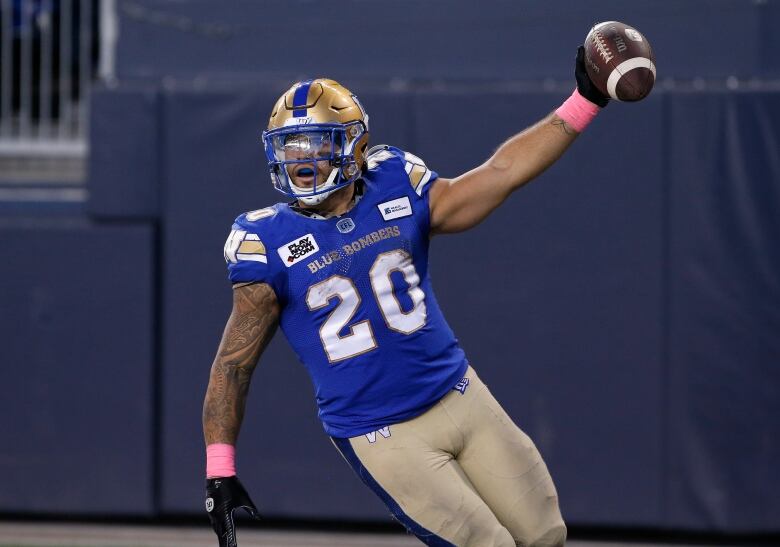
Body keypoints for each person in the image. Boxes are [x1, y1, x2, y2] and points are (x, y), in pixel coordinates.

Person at [202, 46, 610, 547]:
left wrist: (583, 101)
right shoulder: (264, 241)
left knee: (546, 534)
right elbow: (233, 366)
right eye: (291, 145)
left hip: (462, 395)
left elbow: (500, 173)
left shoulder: (394, 181)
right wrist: (219, 469)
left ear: (356, 145)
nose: (303, 160)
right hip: (382, 433)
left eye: (316, 142)